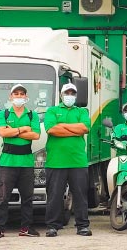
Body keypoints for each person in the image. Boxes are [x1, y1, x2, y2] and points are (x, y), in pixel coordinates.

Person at [0, 84, 42, 239]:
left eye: (22, 94)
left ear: (26, 97)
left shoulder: (32, 115)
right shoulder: (4, 114)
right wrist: (23, 129)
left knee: (27, 198)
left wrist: (12, 131)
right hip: (8, 162)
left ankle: (26, 227)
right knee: (3, 198)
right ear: (10, 97)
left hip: (26, 162)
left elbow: (36, 136)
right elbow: (2, 132)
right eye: (16, 94)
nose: (19, 96)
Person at [44, 83, 92, 237]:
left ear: (76, 96)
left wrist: (62, 126)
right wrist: (73, 129)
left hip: (77, 161)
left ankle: (82, 226)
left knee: (80, 195)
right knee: (54, 196)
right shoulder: (52, 111)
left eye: (72, 93)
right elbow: (51, 129)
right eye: (67, 93)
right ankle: (53, 226)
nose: (69, 96)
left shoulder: (82, 111)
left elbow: (84, 129)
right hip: (56, 161)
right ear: (61, 95)